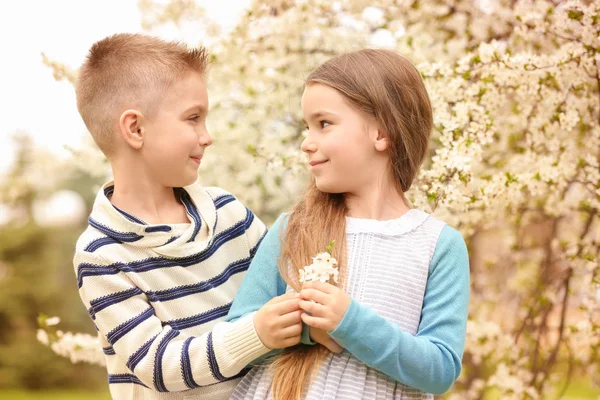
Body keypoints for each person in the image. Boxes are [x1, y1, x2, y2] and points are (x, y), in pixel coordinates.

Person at [226, 49, 470, 400]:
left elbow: (440, 370)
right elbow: (239, 337)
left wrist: (349, 323)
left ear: (382, 132)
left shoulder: (438, 245)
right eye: (306, 127)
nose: (307, 143)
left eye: (324, 124)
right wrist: (307, 327)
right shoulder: (292, 229)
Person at [72, 33, 303, 400]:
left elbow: (289, 281)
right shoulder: (101, 255)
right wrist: (255, 334)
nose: (207, 136)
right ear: (135, 129)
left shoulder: (228, 213)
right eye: (193, 118)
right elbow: (158, 364)